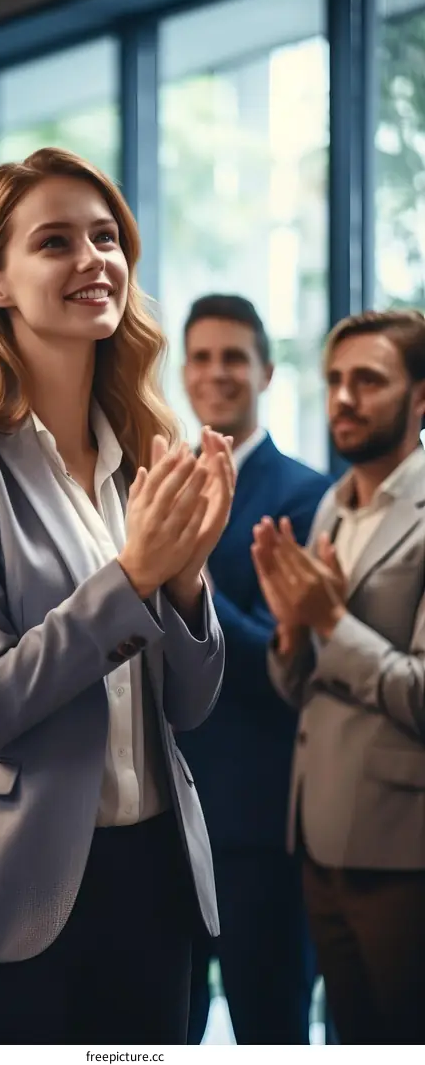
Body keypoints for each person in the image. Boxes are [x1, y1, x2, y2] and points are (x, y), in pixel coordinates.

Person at [0, 147, 233, 1046]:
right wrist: (136, 576)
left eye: (106, 237)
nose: (92, 259)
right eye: (56, 242)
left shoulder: (145, 449)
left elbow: (189, 704)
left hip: (152, 878)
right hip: (0, 886)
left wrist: (185, 585)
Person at [254, 309, 425, 1045]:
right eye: (333, 380)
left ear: (421, 397)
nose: (343, 398)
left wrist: (327, 620)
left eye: (369, 380)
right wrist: (292, 633)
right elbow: (303, 687)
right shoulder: (330, 504)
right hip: (319, 843)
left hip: (405, 852)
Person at [177, 294, 329, 1044]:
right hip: (161, 815)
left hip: (253, 815)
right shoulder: (158, 486)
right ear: (181, 371)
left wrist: (187, 575)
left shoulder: (307, 496)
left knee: (270, 1027)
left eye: (233, 356)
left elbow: (285, 665)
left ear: (266, 371)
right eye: (201, 356)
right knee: (156, 1032)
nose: (216, 372)